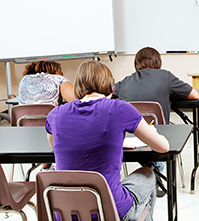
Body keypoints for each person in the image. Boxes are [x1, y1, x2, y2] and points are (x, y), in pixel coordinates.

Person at [46, 61, 169, 221]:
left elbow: (53, 144)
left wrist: (111, 142)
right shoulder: (120, 108)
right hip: (110, 210)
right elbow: (163, 147)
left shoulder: (56, 114)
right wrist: (153, 131)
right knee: (147, 174)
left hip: (66, 213)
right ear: (110, 86)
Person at [113, 46, 199, 124]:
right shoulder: (165, 76)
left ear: (136, 64)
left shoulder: (124, 82)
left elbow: (105, 94)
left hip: (132, 133)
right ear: (159, 62)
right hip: (159, 133)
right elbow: (195, 95)